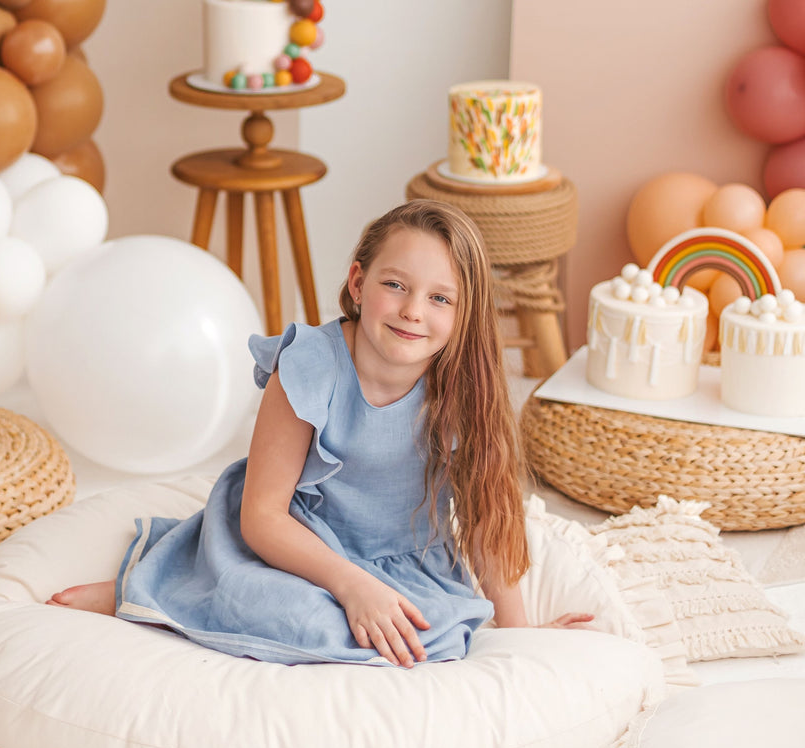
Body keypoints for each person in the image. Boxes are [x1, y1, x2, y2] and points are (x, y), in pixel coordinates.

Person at [48, 199, 591, 666]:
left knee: (425, 636)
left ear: (464, 313)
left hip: (402, 560)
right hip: (290, 544)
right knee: (302, 619)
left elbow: (484, 521)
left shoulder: (463, 389)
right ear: (358, 282)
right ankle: (151, 590)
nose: (411, 311)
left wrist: (519, 636)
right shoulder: (309, 366)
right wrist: (352, 587)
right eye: (395, 285)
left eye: (439, 298)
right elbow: (262, 516)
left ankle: (202, 593)